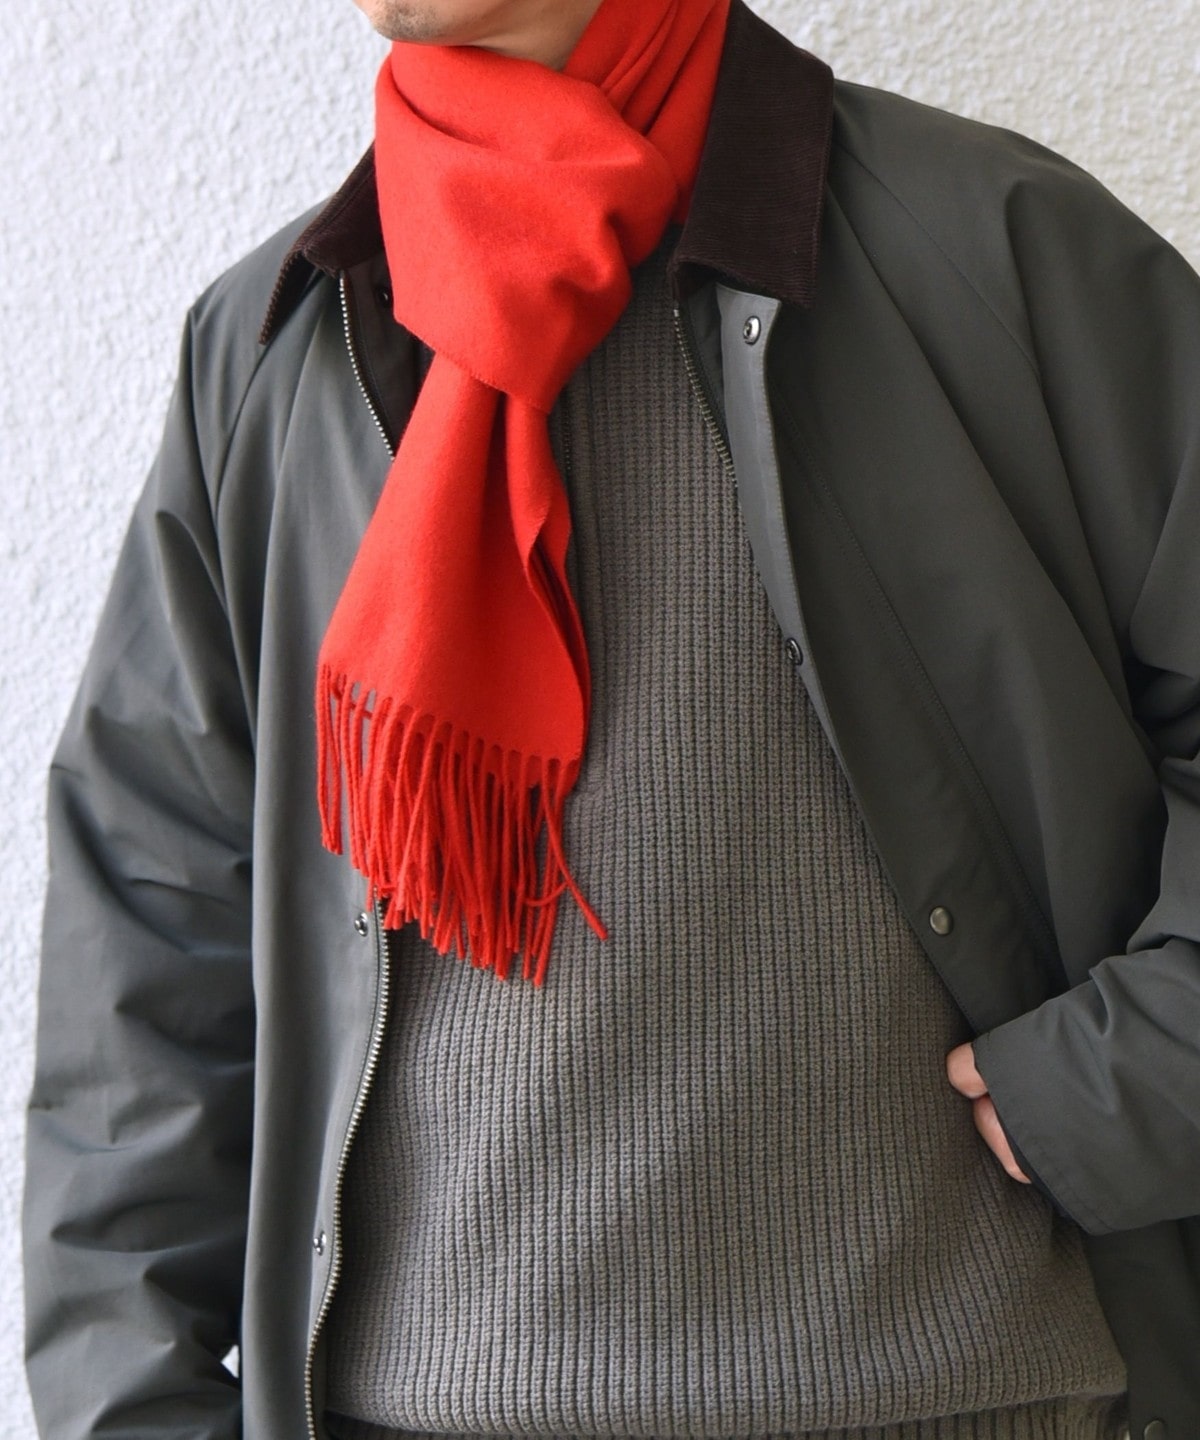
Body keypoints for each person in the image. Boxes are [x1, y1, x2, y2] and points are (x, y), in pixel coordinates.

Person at [22, 0, 1200, 1435]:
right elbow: (151, 930)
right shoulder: (275, 350)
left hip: (955, 1401)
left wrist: (1130, 1082)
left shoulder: (991, 252)